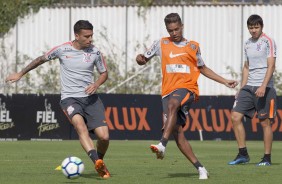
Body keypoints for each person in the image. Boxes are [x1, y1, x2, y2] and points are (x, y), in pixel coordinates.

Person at [136, 13, 238, 180]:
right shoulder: (160, 43)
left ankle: (162, 144)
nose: (174, 33)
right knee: (178, 133)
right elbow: (143, 59)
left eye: (176, 29)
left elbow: (203, 68)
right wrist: (139, 59)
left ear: (181, 26)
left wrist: (224, 81)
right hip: (167, 92)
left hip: (188, 89)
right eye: (170, 30)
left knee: (174, 104)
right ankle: (200, 168)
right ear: (167, 29)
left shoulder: (193, 46)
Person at [5, 20, 111, 178]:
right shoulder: (62, 49)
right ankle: (96, 161)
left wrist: (96, 84)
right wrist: (20, 73)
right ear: (77, 35)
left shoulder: (95, 52)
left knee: (104, 137)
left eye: (91, 36)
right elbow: (40, 59)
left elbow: (104, 73)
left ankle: (98, 162)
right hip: (70, 99)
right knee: (80, 126)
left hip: (91, 99)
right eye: (86, 36)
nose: (90, 39)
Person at [228, 14, 277, 166]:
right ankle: (243, 154)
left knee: (264, 123)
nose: (253, 30)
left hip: (265, 87)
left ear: (261, 27)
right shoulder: (247, 43)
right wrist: (242, 88)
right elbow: (247, 67)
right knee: (235, 116)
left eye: (256, 27)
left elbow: (271, 65)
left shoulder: (268, 41)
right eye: (251, 27)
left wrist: (263, 85)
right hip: (248, 87)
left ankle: (267, 158)